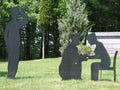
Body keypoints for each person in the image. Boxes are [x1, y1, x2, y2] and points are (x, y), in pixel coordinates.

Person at [4, 6, 28, 79]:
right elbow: (5, 36)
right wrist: (7, 44)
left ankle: (13, 74)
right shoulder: (8, 24)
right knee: (11, 59)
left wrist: (23, 13)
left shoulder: (18, 23)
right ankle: (10, 74)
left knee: (16, 59)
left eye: (17, 13)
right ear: (12, 14)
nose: (16, 15)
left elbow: (25, 21)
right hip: (11, 44)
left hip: (17, 44)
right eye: (15, 13)